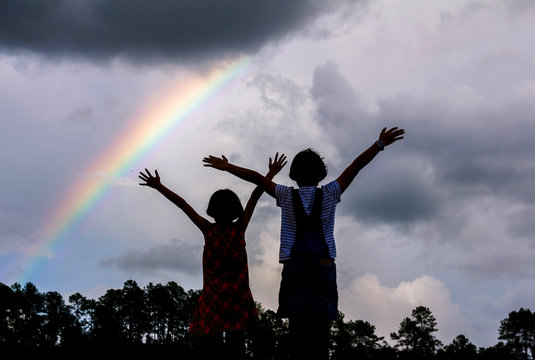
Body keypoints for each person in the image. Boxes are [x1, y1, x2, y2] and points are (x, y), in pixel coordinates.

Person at [203, 127, 405, 360]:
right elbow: (356, 166)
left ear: (293, 175)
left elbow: (256, 178)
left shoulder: (286, 195)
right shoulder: (330, 193)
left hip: (295, 268)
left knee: (297, 331)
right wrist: (379, 144)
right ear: (321, 175)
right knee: (320, 334)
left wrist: (227, 167)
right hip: (323, 267)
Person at [139, 153, 287, 359]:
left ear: (211, 210)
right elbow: (255, 195)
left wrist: (159, 186)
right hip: (238, 301)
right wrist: (270, 173)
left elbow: (183, 205)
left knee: (210, 351)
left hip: (212, 302)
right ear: (236, 209)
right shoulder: (239, 228)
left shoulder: (207, 230)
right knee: (237, 349)